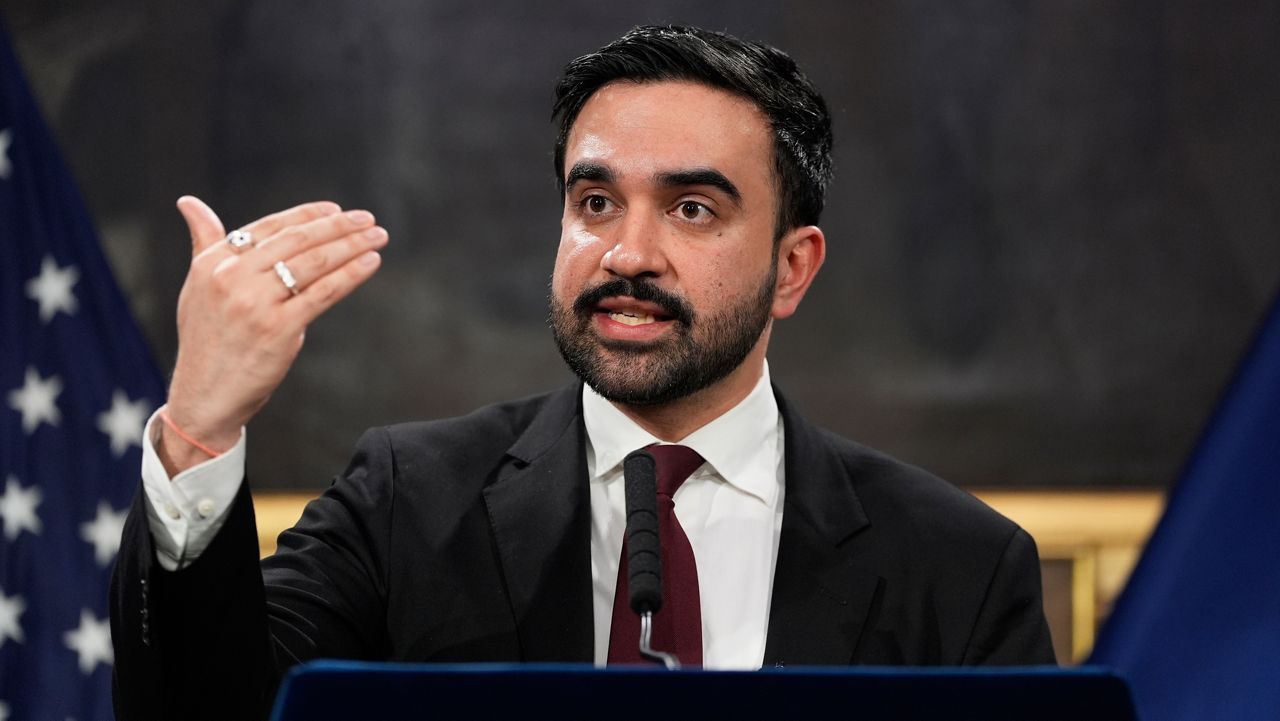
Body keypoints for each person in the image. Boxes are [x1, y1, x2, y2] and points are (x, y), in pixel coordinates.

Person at [110, 24, 1055, 721]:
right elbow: (204, 712)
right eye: (595, 200)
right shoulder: (407, 503)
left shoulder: (958, 567)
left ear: (792, 267)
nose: (626, 253)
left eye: (692, 209)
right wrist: (202, 423)